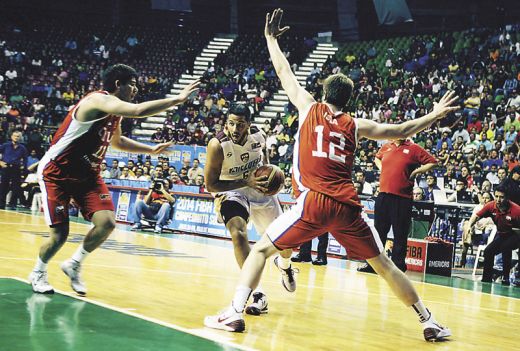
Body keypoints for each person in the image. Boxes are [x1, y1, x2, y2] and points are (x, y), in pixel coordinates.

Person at [204, 9, 458, 341]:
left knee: (261, 250)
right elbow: (401, 128)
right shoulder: (357, 126)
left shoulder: (308, 107)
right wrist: (434, 114)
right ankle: (428, 321)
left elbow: (284, 73)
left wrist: (270, 39)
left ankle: (235, 313)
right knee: (384, 264)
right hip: (348, 207)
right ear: (347, 100)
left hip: (312, 201)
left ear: (324, 94)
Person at [29, 64, 199, 295]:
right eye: (133, 84)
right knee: (59, 235)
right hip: (57, 173)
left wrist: (151, 150)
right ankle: (38, 272)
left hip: (87, 175)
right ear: (119, 84)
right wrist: (177, 100)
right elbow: (138, 111)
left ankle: (74, 264)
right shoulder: (97, 101)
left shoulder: (114, 112)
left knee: (107, 222)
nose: (136, 89)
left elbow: (117, 142)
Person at [204, 103, 295, 316]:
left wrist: (272, 177)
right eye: (231, 124)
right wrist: (245, 181)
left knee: (286, 243)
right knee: (238, 233)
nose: (235, 129)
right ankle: (257, 294)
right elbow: (210, 185)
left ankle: (285, 265)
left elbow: (265, 163)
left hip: (259, 191)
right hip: (232, 191)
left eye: (240, 124)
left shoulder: (259, 136)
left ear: (249, 125)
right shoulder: (217, 145)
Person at [358, 138, 437, 273]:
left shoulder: (414, 148)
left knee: (400, 233)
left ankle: (398, 266)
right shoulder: (387, 146)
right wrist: (382, 167)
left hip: (402, 198)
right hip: (383, 195)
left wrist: (416, 172)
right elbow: (377, 158)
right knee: (378, 232)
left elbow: (433, 162)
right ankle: (373, 265)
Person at [464, 185, 520, 285]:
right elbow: (476, 216)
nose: (498, 199)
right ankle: (486, 279)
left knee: (505, 247)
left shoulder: (516, 210)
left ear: (507, 198)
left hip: (516, 235)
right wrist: (469, 226)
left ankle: (505, 278)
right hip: (502, 235)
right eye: (496, 196)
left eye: (501, 197)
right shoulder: (491, 206)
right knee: (488, 251)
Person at [0, 130, 28, 209]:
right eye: (15, 136)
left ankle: (13, 204)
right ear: (11, 136)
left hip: (16, 168)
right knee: (3, 186)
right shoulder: (5, 145)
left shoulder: (23, 148)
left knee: (15, 187)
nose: (16, 137)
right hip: (6, 167)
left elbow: (25, 159)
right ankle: (1, 204)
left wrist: (24, 168)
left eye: (18, 136)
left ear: (20, 138)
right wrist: (0, 162)